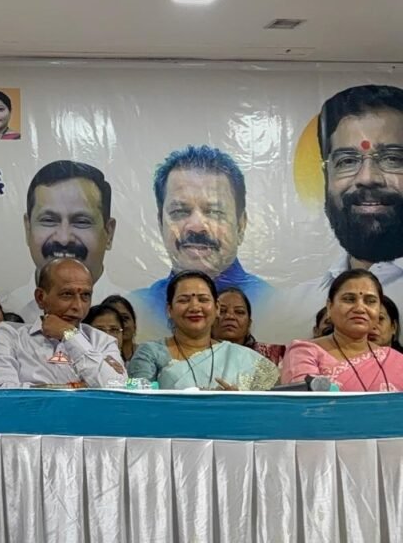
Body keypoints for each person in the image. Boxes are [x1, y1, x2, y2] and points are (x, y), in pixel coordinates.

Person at [278, 85, 403, 339]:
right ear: (327, 176)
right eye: (347, 161)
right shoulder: (295, 304)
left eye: (391, 158)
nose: (367, 178)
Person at [130, 145, 270, 342]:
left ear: (241, 225)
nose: (196, 227)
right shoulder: (138, 307)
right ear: (161, 223)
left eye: (214, 212)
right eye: (180, 211)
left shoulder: (273, 304)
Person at [1, 160, 120, 324]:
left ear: (109, 233)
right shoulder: (6, 311)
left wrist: (67, 334)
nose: (64, 239)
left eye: (81, 222)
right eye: (49, 220)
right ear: (28, 228)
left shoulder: (137, 312)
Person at [0, 258, 126, 389]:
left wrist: (70, 335)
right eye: (67, 294)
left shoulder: (103, 341)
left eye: (85, 295)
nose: (78, 306)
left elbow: (118, 388)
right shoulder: (9, 336)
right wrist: (76, 388)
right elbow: (3, 392)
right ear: (40, 298)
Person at [128, 270, 279, 390]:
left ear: (216, 308)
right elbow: (139, 406)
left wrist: (237, 402)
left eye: (203, 299)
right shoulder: (150, 353)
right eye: (184, 300)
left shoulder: (243, 358)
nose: (195, 307)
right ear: (169, 310)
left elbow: (269, 408)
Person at [282, 269, 403, 391]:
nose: (360, 308)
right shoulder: (304, 352)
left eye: (370, 301)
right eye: (349, 299)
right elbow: (306, 401)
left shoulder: (397, 361)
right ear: (330, 306)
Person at [211, 287, 286, 365]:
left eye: (239, 312)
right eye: (222, 311)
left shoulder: (272, 355)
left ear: (249, 324)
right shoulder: (202, 354)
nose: (230, 316)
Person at [101, 294, 138, 363]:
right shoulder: (94, 356)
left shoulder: (148, 354)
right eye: (113, 320)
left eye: (125, 318)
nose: (121, 325)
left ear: (134, 325)